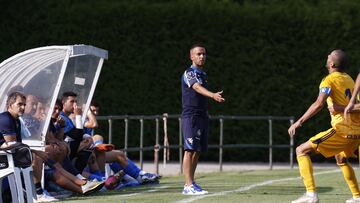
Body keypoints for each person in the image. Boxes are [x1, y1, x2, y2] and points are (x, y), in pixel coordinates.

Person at [288, 50, 360, 203]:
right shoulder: (350, 79)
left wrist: (299, 121)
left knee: (301, 150)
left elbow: (319, 104)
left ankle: (311, 194)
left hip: (342, 130)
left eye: (329, 57)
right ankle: (357, 196)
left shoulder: (328, 80)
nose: (327, 57)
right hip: (357, 132)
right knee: (340, 158)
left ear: (332, 64)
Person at [181, 44, 225, 195]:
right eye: (198, 54)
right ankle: (187, 185)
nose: (202, 56)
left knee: (197, 151)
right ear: (191, 56)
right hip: (191, 116)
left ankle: (191, 182)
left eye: (204, 54)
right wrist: (212, 95)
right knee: (189, 150)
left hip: (202, 116)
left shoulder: (202, 74)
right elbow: (196, 88)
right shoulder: (189, 73)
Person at [0, 91, 57, 202]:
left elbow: (17, 144)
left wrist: (36, 151)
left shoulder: (16, 120)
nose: (22, 107)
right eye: (19, 104)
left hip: (7, 155)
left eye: (24, 105)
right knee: (35, 157)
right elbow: (13, 145)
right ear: (10, 105)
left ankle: (37, 192)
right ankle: (38, 194)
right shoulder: (5, 119)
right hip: (3, 157)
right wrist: (36, 151)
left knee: (41, 156)